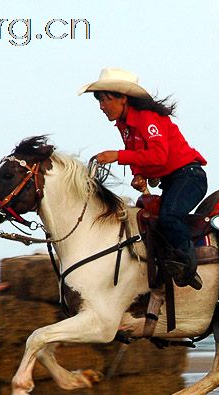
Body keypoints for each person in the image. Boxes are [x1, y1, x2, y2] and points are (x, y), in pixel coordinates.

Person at [79, 67, 207, 290]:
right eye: (98, 100)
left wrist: (117, 156)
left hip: (189, 177)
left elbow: (159, 155)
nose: (101, 106)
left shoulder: (148, 118)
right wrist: (139, 174)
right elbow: (139, 153)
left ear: (122, 99)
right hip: (173, 181)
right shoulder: (124, 125)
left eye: (104, 100)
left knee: (169, 218)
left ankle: (187, 267)